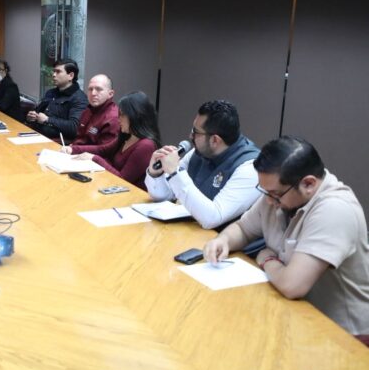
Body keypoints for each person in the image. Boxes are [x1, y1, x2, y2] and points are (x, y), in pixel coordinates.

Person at [203, 136, 369, 335]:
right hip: (293, 314)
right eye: (265, 191)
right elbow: (243, 229)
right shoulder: (279, 194)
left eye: (274, 194)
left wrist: (266, 259)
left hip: (343, 335)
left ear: (308, 184)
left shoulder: (334, 210)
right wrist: (223, 240)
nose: (268, 200)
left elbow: (292, 285)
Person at [145, 100, 260, 229]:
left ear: (215, 140)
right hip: (191, 232)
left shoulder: (251, 168)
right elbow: (165, 196)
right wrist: (156, 174)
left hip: (220, 239)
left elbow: (213, 218)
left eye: (196, 132)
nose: (190, 135)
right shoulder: (199, 152)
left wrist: (175, 172)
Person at [67, 92, 160, 190]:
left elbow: (123, 180)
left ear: (135, 116)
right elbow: (102, 149)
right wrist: (72, 149)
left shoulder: (146, 145)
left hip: (131, 195)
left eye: (122, 115)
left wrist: (94, 158)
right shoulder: (127, 136)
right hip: (113, 188)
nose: (118, 119)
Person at [26, 59, 88, 141]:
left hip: (56, 142)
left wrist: (47, 120)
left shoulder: (79, 98)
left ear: (71, 76)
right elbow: (38, 113)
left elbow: (75, 127)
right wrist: (32, 117)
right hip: (36, 134)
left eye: (58, 72)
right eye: (54, 71)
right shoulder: (50, 92)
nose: (53, 75)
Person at [62, 74, 119, 149]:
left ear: (110, 94)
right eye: (90, 89)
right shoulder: (87, 110)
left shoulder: (113, 118)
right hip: (75, 152)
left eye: (98, 89)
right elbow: (79, 138)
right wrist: (72, 146)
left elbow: (104, 150)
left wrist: (74, 150)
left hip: (91, 156)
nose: (93, 93)